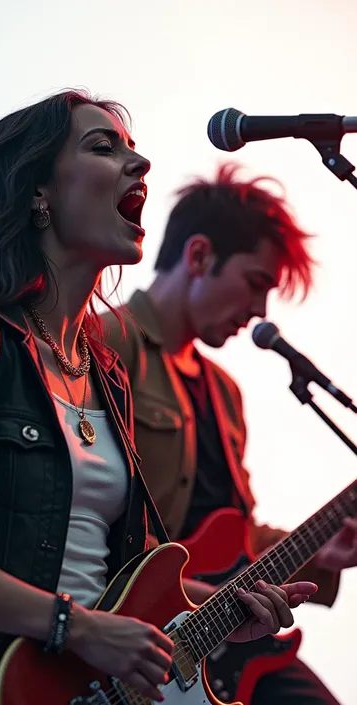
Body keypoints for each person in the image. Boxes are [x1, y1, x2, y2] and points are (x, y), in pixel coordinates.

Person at [0, 95, 316, 705]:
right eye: (103, 147)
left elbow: (123, 585)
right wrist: (75, 626)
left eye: (132, 147)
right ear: (38, 191)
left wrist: (213, 618)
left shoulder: (106, 378)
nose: (138, 162)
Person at [102, 163, 357, 705]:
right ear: (199, 256)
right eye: (256, 283)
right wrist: (206, 600)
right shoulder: (105, 342)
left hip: (230, 638)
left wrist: (324, 551)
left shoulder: (225, 393)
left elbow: (233, 536)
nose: (262, 310)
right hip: (144, 637)